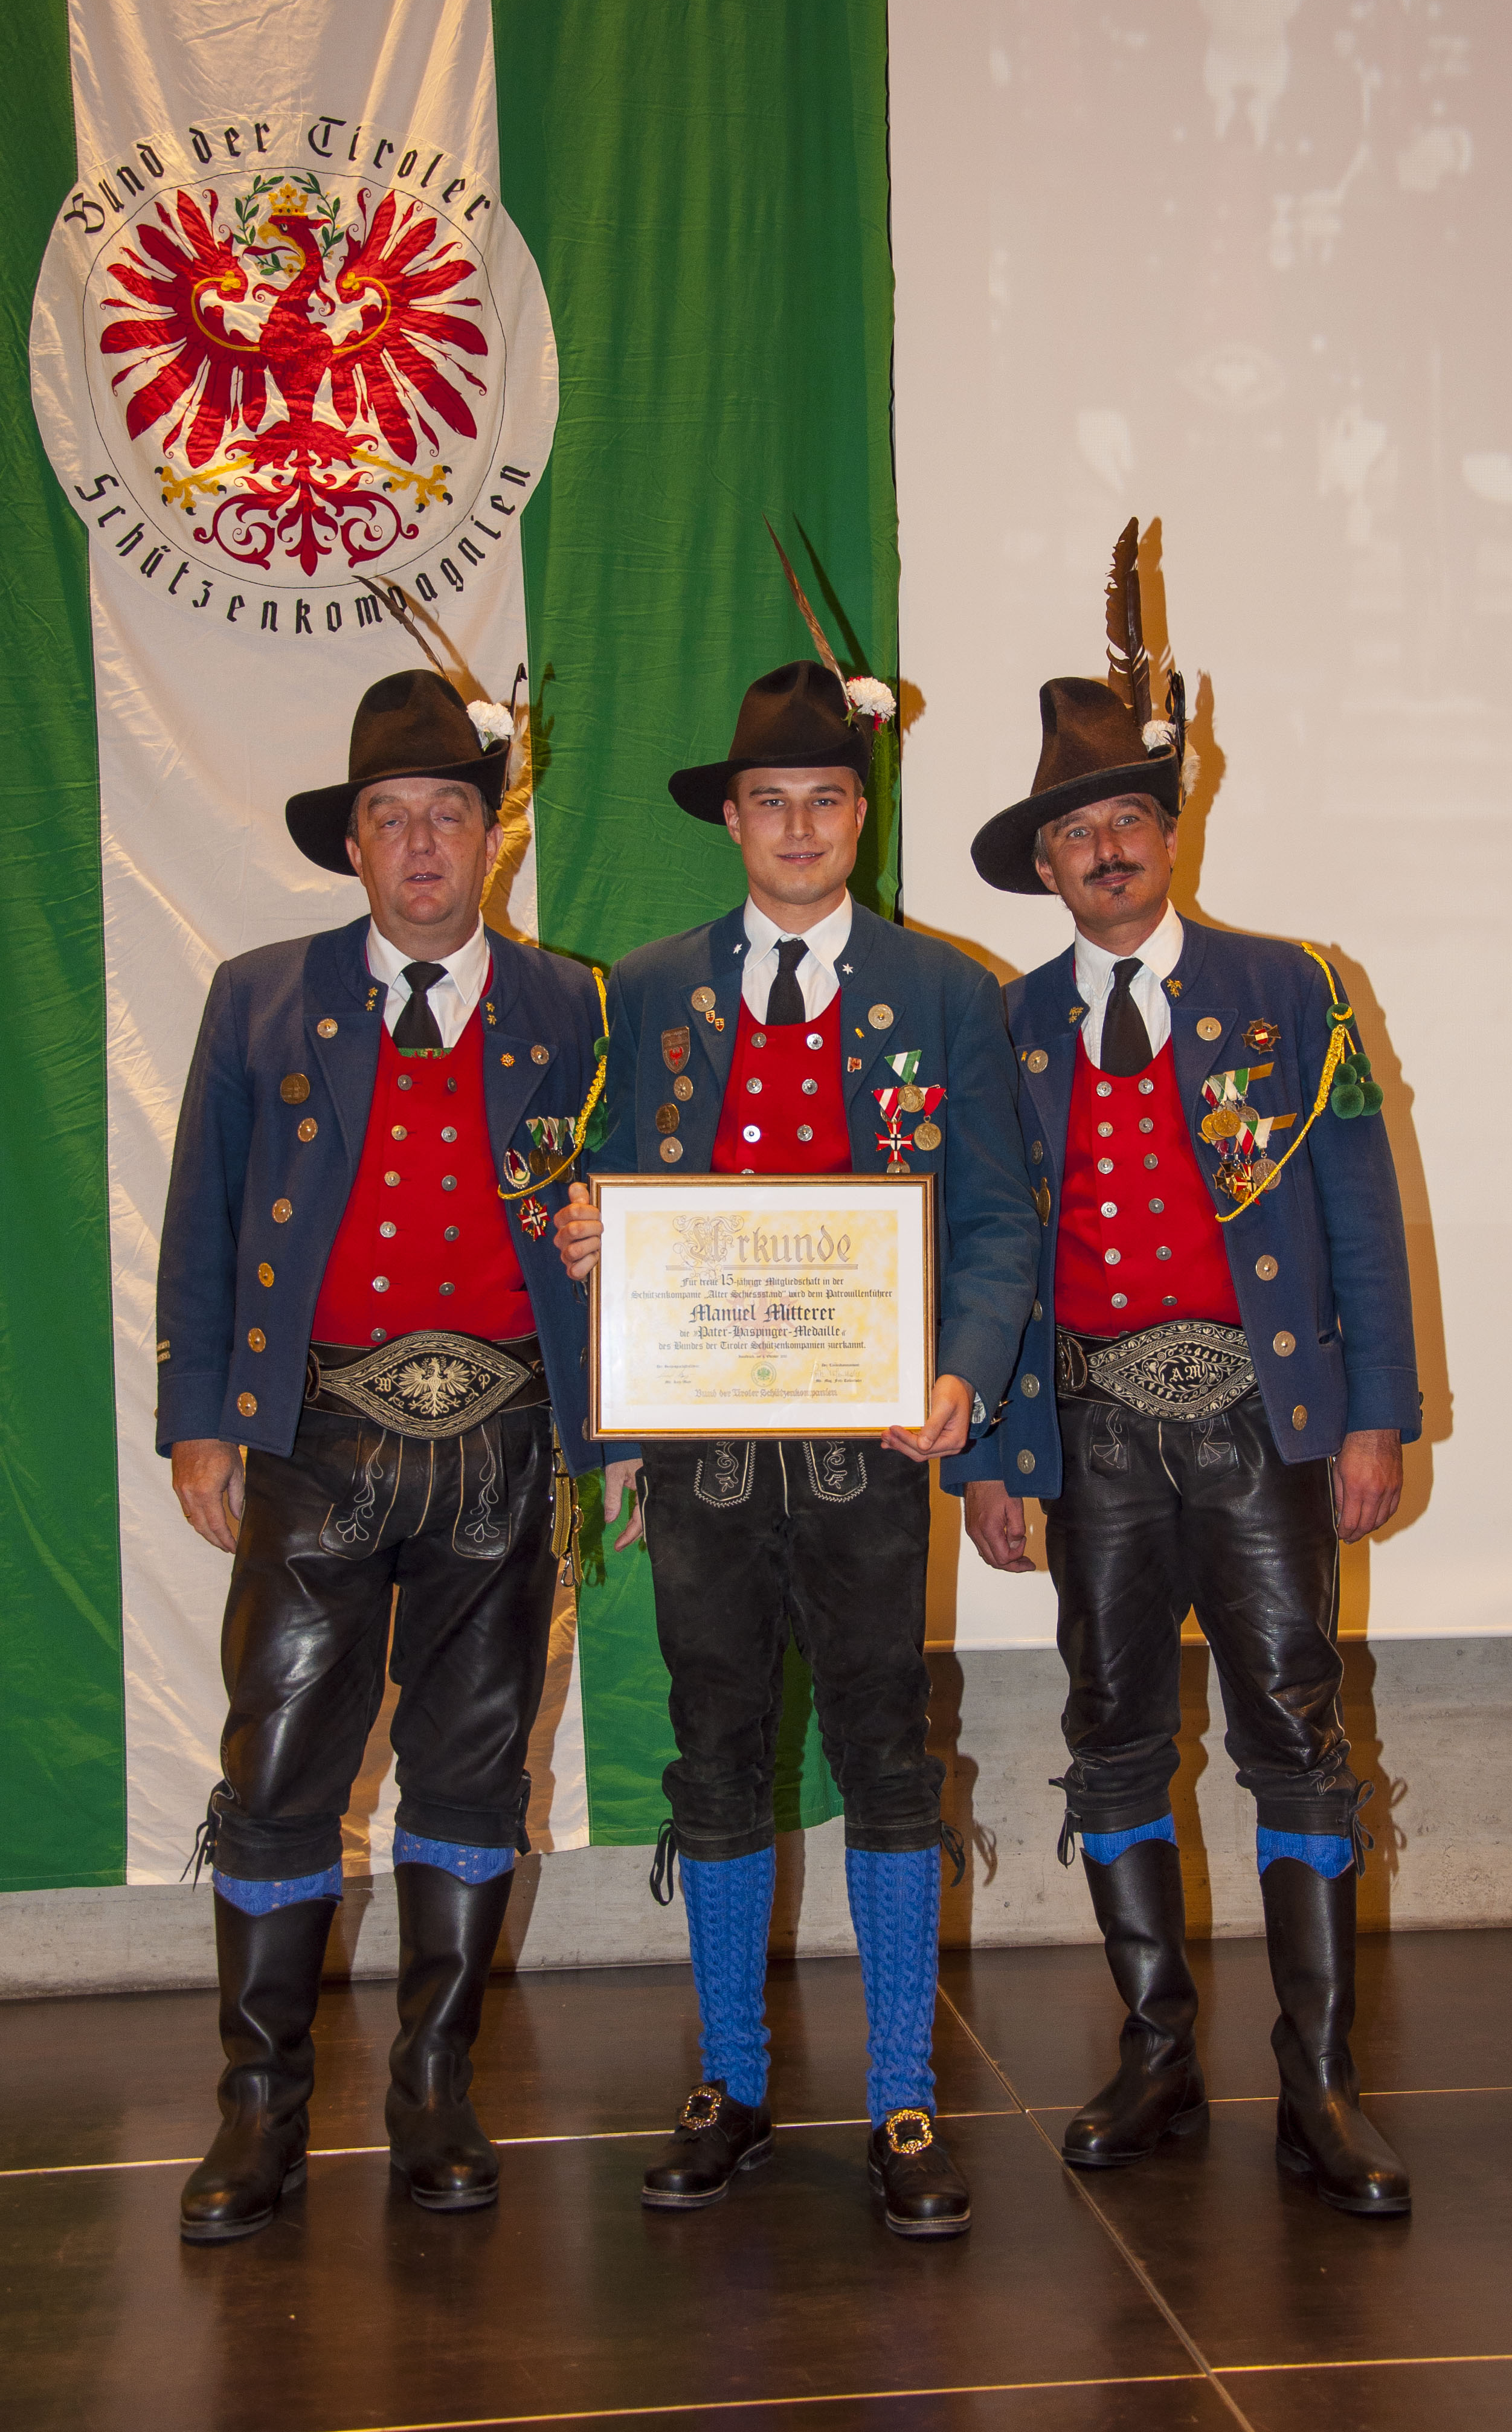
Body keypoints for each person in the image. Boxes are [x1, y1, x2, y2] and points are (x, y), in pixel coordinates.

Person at [952, 523, 1421, 2216]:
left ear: (1171, 830)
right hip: (1088, 1427)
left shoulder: (1295, 992)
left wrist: (1375, 1415)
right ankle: (1156, 2052)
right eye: (1076, 837)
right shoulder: (1009, 1031)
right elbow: (991, 1249)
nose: (1107, 854)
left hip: (1262, 1416)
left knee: (1296, 1732)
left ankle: (1315, 2084)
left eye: (1127, 822)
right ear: (1050, 870)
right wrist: (999, 1449)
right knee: (1112, 1735)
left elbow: (1357, 1212)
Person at [556, 622, 1039, 2240]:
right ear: (731, 818)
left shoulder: (945, 995)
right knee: (715, 1754)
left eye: (827, 798)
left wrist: (962, 1368)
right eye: (771, 800)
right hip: (698, 1451)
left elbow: (989, 1223)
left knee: (888, 1752)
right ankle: (735, 2079)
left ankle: (903, 2087)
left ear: (862, 812)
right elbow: (608, 1205)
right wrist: (593, 1247)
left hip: (872, 1450)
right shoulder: (647, 994)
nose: (799, 828)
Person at [159, 669, 605, 2243]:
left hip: (506, 1441)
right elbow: (205, 1221)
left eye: (450, 816)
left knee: (476, 1767)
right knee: (279, 1774)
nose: (422, 846)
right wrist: (199, 1419)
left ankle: (433, 2087)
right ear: (352, 845)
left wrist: (608, 1409)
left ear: (494, 835)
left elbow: (599, 1234)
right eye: (391, 820)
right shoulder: (261, 996)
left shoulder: (571, 1008)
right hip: (314, 1441)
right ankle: (260, 2112)